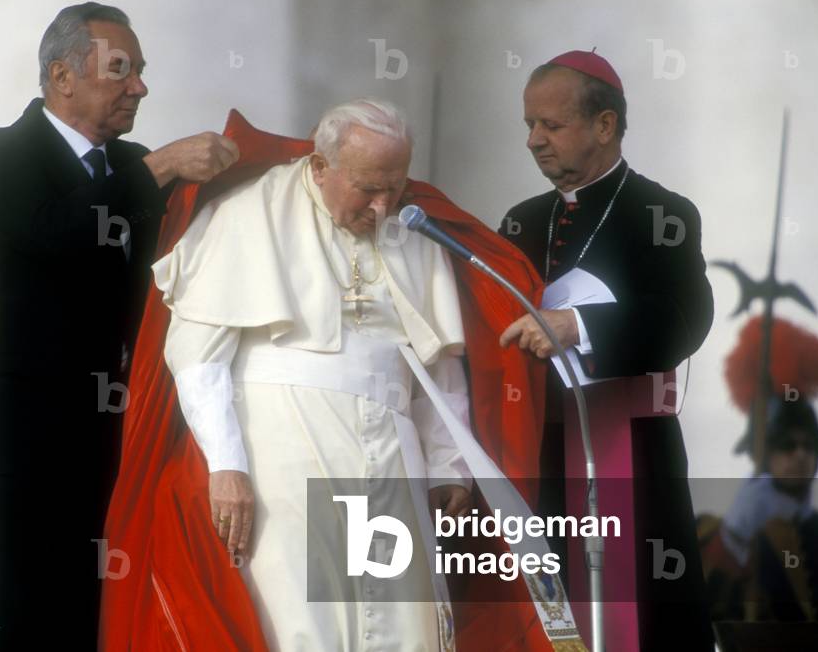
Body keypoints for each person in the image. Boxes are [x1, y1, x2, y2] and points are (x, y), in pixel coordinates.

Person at [98, 104, 569, 651]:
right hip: (282, 451)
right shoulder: (247, 213)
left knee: (400, 625)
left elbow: (436, 360)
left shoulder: (409, 223)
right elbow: (199, 358)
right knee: (300, 623)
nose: (383, 205)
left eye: (394, 187)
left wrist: (447, 465)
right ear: (321, 166)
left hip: (393, 456)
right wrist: (225, 466)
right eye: (369, 188)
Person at [0, 2, 239, 651]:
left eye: (140, 71)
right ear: (62, 76)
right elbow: (56, 233)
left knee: (100, 606)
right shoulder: (1, 156)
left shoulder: (130, 167)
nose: (138, 86)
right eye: (121, 70)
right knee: (18, 600)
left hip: (114, 432)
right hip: (19, 437)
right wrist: (160, 167)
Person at [498, 50, 715, 651]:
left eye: (551, 125)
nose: (535, 141)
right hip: (539, 449)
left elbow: (684, 319)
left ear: (604, 125)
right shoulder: (521, 222)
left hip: (633, 452)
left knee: (643, 615)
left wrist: (578, 325)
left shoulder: (662, 214)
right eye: (528, 126)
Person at [699, 316, 818, 625]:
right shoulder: (710, 532)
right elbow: (702, 611)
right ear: (766, 453)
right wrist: (733, 539)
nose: (800, 454)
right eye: (787, 445)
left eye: (808, 445)